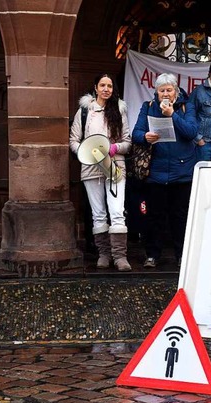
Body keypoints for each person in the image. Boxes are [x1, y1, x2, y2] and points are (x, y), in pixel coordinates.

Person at [131, 73, 198, 269]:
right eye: (162, 91)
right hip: (156, 172)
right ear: (156, 92)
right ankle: (152, 255)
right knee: (155, 217)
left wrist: (172, 115)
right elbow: (136, 133)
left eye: (169, 90)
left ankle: (181, 256)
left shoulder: (187, 106)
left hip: (181, 171)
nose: (166, 94)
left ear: (176, 91)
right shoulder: (148, 107)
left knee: (180, 217)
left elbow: (191, 132)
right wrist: (145, 136)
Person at [70, 74, 133, 271]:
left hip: (114, 166)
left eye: (110, 86)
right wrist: (85, 153)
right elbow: (73, 140)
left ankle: (120, 257)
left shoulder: (119, 111)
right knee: (98, 214)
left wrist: (115, 149)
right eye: (102, 85)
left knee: (117, 212)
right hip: (91, 167)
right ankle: (104, 254)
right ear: (95, 88)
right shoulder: (84, 112)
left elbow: (127, 142)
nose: (106, 89)